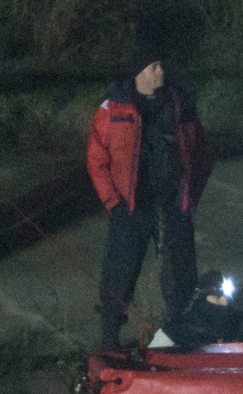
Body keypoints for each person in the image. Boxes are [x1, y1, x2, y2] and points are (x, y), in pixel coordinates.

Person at [87, 48, 212, 349]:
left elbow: (202, 153)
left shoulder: (180, 105)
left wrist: (188, 197)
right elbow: (96, 157)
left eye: (161, 64)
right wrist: (112, 202)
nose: (161, 71)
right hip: (130, 205)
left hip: (172, 205)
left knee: (180, 272)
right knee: (119, 270)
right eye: (153, 66)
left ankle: (180, 334)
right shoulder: (113, 108)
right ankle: (109, 339)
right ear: (138, 73)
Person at [148, 270, 239, 352]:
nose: (225, 302)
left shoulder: (233, 322)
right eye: (216, 298)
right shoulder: (180, 327)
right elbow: (151, 357)